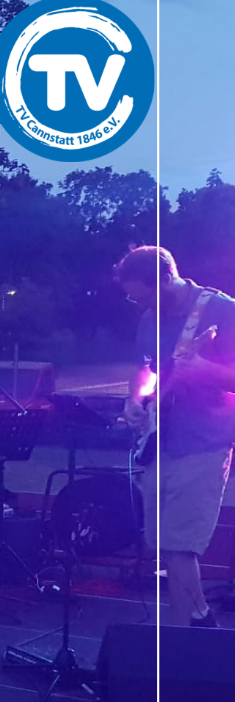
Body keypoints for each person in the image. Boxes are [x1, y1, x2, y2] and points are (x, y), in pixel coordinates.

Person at [116, 245, 235, 628]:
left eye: (143, 296)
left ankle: (179, 637)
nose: (140, 305)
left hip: (204, 441)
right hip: (160, 443)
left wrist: (203, 370)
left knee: (180, 546)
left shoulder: (223, 311)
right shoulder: (149, 318)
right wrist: (135, 400)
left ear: (166, 279)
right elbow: (145, 370)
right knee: (163, 545)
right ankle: (199, 620)